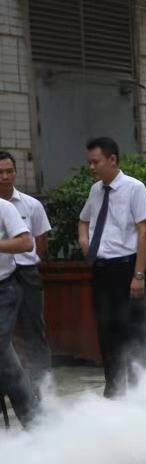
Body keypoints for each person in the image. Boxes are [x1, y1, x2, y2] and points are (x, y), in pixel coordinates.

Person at [79, 137, 146, 399]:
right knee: (106, 330)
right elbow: (83, 220)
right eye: (89, 162)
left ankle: (141, 390)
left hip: (126, 268)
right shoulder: (96, 190)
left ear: (112, 159)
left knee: (132, 330)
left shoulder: (134, 188)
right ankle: (113, 388)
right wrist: (85, 242)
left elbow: (144, 231)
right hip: (101, 269)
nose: (92, 167)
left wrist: (139, 275)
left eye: (96, 162)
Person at [0, 152, 52, 391]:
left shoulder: (31, 205)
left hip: (26, 272)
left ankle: (42, 388)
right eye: (0, 172)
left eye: (9, 171)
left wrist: (30, 260)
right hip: (2, 276)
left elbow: (40, 241)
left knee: (33, 328)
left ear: (16, 173)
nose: (5, 177)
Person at [0, 193, 37, 427]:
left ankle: (33, 418)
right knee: (4, 356)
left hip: (3, 289)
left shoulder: (3, 207)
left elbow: (26, 243)